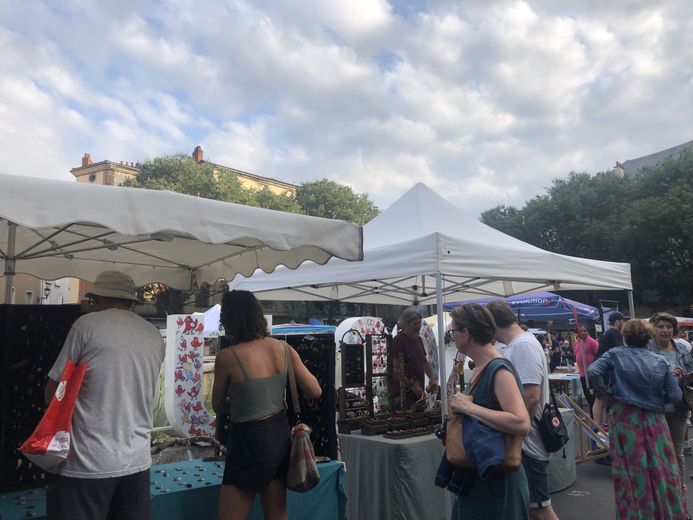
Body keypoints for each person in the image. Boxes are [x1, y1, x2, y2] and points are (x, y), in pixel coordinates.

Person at [44, 270, 165, 520]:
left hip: (85, 464)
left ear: (96, 299)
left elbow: (54, 392)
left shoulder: (85, 326)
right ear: (131, 302)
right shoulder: (153, 333)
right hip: (136, 462)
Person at [212, 290, 321, 520]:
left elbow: (218, 405)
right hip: (278, 439)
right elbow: (315, 390)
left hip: (247, 443)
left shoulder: (227, 357)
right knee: (277, 516)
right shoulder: (283, 348)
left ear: (229, 321)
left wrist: (243, 401)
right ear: (257, 315)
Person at [588, 319, 685, 519]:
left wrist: (605, 393)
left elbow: (593, 370)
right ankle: (665, 513)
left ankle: (634, 514)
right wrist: (661, 405)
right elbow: (676, 396)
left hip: (624, 419)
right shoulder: (659, 361)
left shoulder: (615, 354)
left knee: (629, 470)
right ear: (649, 337)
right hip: (654, 420)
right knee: (661, 468)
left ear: (625, 336)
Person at [446, 303, 531, 519]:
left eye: (454, 331)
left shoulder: (498, 369)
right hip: (481, 477)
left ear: (466, 333)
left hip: (498, 486)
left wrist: (470, 408)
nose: (452, 337)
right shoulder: (480, 368)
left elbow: (521, 423)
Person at [487, 300, 558, 520]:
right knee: (534, 507)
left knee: (540, 509)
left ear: (493, 324)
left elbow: (531, 396)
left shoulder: (522, 345)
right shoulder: (521, 343)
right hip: (529, 440)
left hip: (529, 443)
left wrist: (518, 432)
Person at [647, 311, 693, 488]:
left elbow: (691, 378)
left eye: (669, 327)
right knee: (655, 454)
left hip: (678, 409)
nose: (665, 330)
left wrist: (685, 375)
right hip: (654, 409)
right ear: (653, 328)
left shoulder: (682, 349)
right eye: (660, 326)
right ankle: (660, 495)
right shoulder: (646, 349)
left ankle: (678, 496)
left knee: (676, 453)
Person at [391, 307, 436, 410]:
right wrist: (412, 386)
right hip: (402, 395)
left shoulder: (418, 340)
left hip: (418, 392)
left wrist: (432, 378)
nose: (419, 326)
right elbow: (395, 369)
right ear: (406, 324)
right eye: (415, 323)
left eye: (419, 323)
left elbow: (424, 362)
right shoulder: (397, 341)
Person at [573, 325, 599, 413]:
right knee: (587, 396)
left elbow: (599, 355)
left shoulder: (592, 342)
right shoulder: (577, 342)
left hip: (591, 374)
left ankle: (594, 417)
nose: (583, 332)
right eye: (581, 331)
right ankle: (592, 416)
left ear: (587, 331)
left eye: (584, 331)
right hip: (582, 374)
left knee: (593, 398)